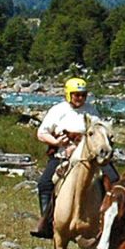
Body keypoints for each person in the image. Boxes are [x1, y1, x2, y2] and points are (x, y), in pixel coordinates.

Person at [31, 77, 94, 238]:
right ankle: (46, 223)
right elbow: (42, 133)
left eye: (83, 95)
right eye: (76, 95)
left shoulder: (92, 111)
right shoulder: (57, 110)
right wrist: (57, 142)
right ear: (68, 94)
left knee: (114, 180)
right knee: (45, 184)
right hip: (62, 155)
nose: (80, 98)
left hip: (87, 157)